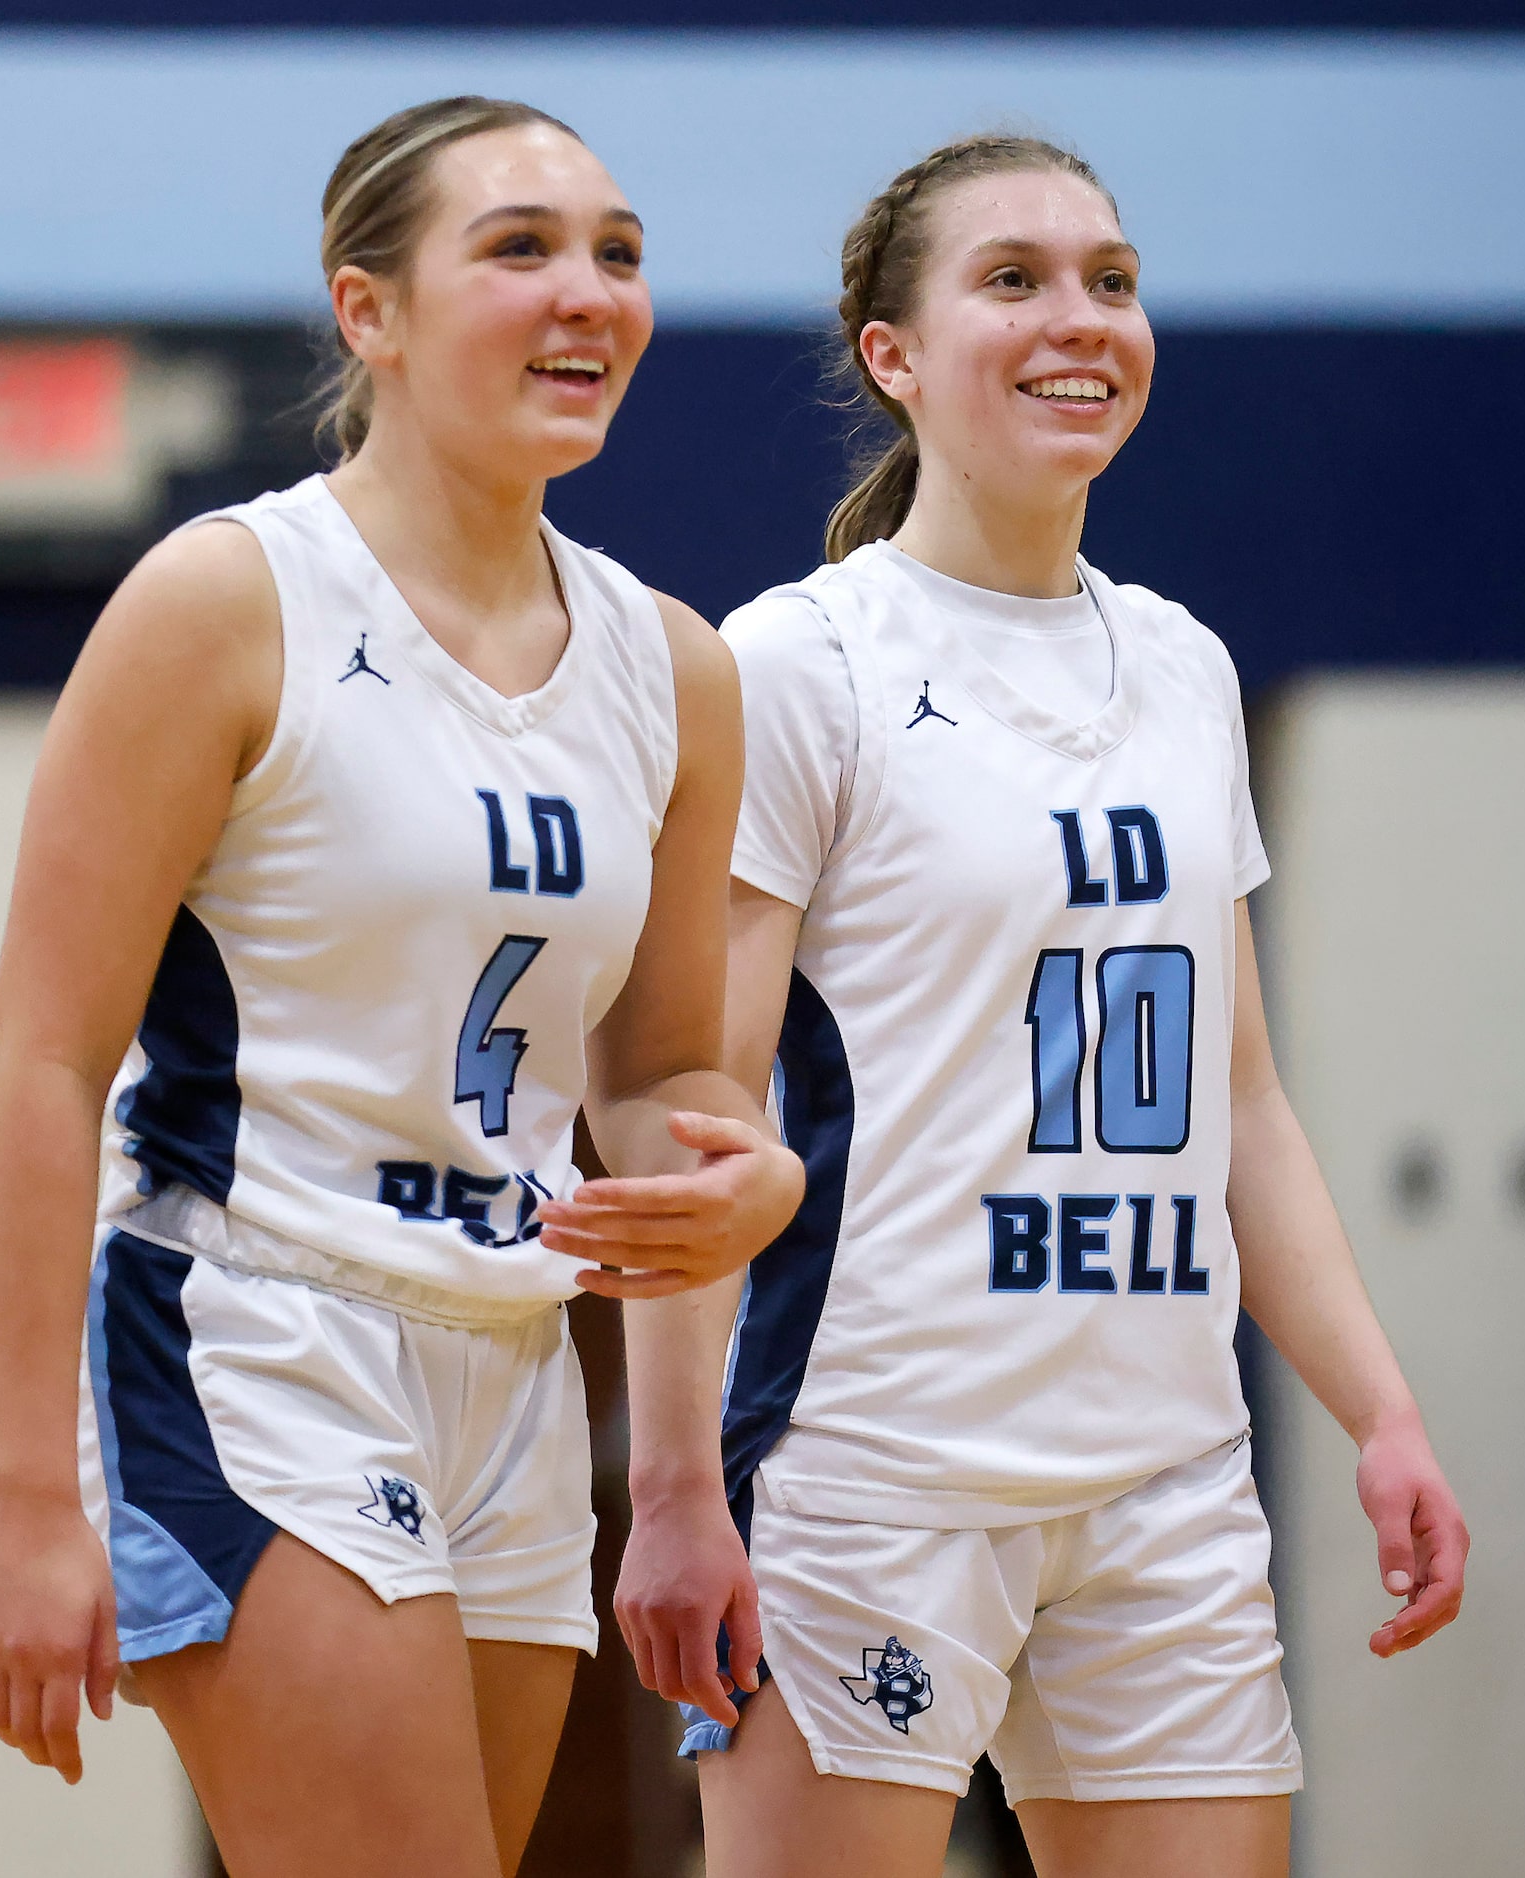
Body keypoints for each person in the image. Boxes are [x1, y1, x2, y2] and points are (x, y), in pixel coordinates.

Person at [584, 134, 1467, 1878]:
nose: (1080, 318)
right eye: (1014, 279)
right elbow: (700, 1099)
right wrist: (674, 1483)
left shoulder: (1186, 666)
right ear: (891, 356)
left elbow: (1246, 1109)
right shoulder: (801, 661)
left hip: (1162, 1475)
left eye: (1111, 279)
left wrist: (1381, 1411)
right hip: (868, 1466)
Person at [0, 97, 804, 1878]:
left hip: (507, 1352)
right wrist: (29, 1496)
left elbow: (655, 1079)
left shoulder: (677, 670)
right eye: (520, 249)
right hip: (259, 1326)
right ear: (370, 312)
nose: (588, 292)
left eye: (618, 253)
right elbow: (41, 1061)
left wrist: (744, 1173)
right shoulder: (224, 599)